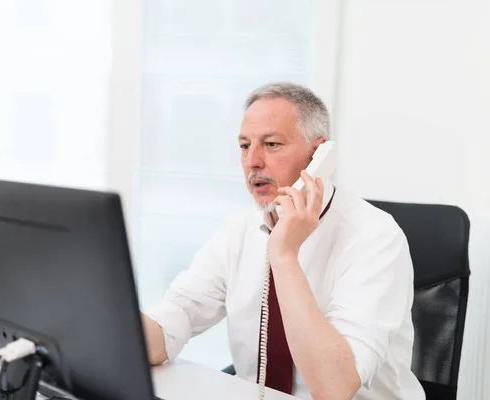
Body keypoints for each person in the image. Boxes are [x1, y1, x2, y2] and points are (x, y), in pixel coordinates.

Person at [141, 82, 425, 400]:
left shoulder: (374, 238)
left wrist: (285, 254)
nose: (253, 161)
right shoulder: (239, 229)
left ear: (319, 154)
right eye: (245, 146)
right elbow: (176, 317)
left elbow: (335, 388)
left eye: (272, 144)